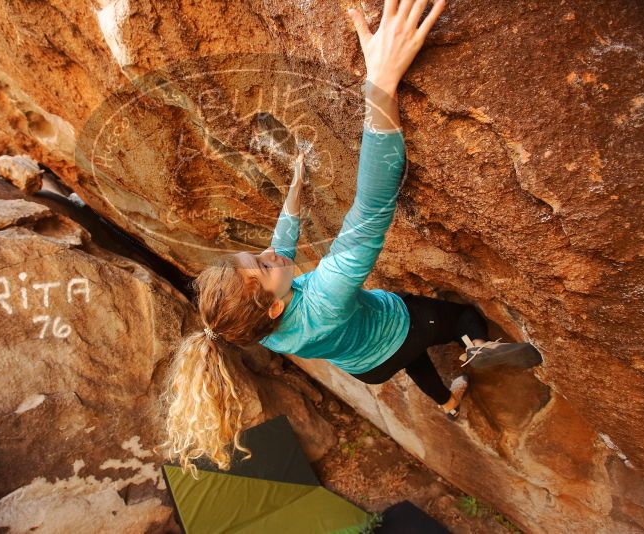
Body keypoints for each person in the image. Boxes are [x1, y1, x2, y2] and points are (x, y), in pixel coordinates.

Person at [161, 0, 542, 476]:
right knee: (460, 316)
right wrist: (380, 83)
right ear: (273, 305)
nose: (266, 253)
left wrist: (295, 190)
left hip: (369, 368)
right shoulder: (325, 296)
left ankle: (447, 401)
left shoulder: (257, 332)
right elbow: (372, 206)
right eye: (259, 265)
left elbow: (279, 252)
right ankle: (478, 346)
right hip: (398, 325)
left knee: (414, 363)